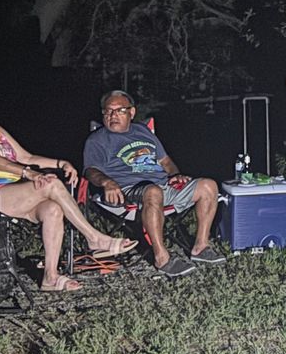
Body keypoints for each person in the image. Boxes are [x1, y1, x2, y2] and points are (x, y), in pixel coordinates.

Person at [0, 85, 136, 291]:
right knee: (50, 183)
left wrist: (60, 163)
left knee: (52, 210)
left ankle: (50, 277)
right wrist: (29, 173)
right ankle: (94, 238)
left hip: (11, 192)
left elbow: (25, 157)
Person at [82, 91, 222, 277]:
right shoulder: (97, 139)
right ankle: (162, 257)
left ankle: (201, 247)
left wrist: (175, 175)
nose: (113, 115)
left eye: (119, 110)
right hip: (126, 190)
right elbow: (90, 170)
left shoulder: (143, 131)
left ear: (131, 113)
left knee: (208, 186)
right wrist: (106, 182)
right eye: (108, 111)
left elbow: (165, 162)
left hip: (162, 185)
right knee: (153, 192)